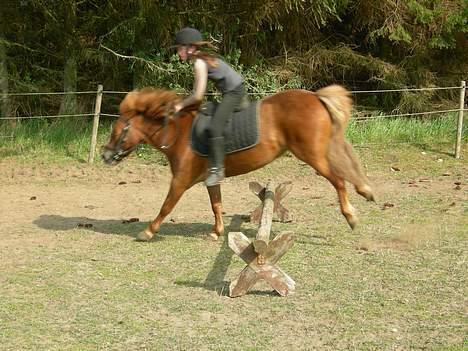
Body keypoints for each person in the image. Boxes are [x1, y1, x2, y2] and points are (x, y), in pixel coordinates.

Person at [173, 27, 246, 187]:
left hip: (234, 93)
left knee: (215, 127)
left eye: (180, 48)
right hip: (231, 91)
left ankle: (217, 169)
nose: (178, 52)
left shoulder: (199, 63)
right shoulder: (200, 60)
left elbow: (198, 95)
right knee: (205, 109)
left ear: (190, 48)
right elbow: (197, 95)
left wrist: (180, 105)